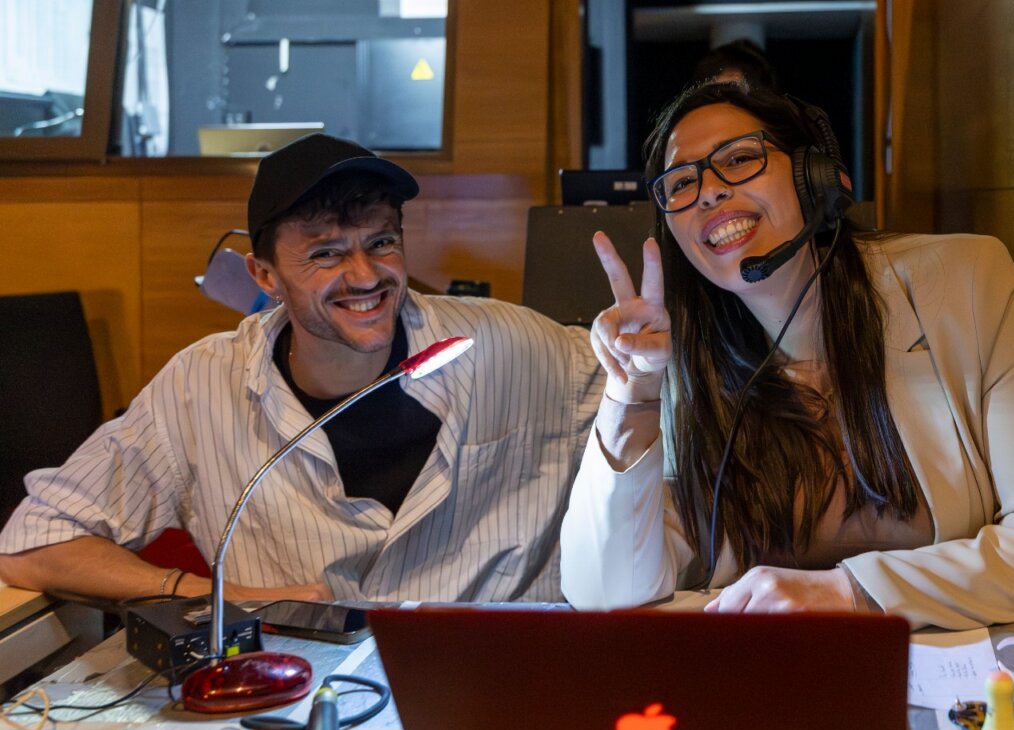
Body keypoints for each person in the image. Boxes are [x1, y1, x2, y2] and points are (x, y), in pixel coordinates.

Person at [559, 82, 1014, 629]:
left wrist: (847, 592)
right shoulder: (684, 366)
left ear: (811, 174)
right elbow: (605, 594)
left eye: (738, 159)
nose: (709, 193)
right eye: (681, 184)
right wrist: (631, 395)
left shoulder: (968, 283)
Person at [0, 134, 604, 603]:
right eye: (326, 253)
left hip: (491, 690)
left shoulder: (508, 343)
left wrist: (645, 355)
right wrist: (215, 596)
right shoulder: (200, 387)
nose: (365, 276)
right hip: (296, 700)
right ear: (264, 275)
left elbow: (644, 399)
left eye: (382, 242)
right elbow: (35, 540)